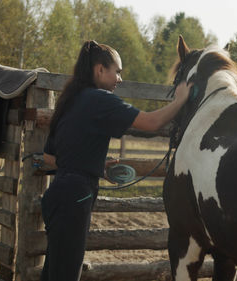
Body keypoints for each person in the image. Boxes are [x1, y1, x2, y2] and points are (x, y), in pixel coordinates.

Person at [40, 40, 190, 281]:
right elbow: (151, 123)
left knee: (54, 271)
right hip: (76, 195)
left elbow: (49, 157)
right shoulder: (99, 99)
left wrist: (94, 164)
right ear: (100, 70)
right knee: (66, 274)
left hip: (58, 193)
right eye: (117, 71)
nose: (120, 79)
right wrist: (180, 100)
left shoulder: (70, 100)